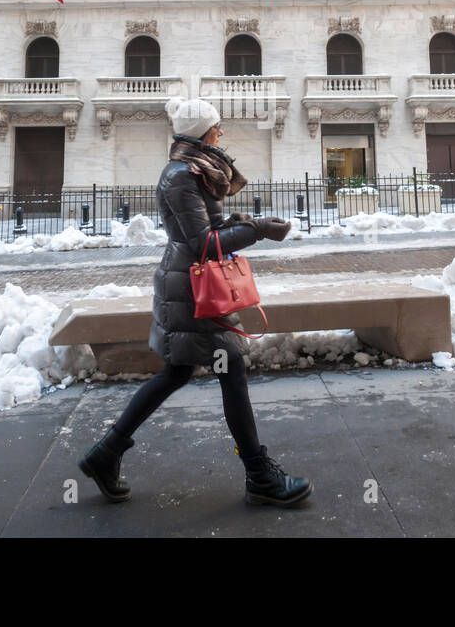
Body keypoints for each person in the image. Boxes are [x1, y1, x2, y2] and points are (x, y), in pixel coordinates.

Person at [79, 97, 311, 508]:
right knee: (231, 368)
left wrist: (244, 224)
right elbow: (203, 243)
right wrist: (257, 231)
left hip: (194, 285)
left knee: (178, 373)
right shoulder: (182, 176)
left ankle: (106, 453)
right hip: (193, 290)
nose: (221, 133)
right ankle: (259, 475)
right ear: (204, 131)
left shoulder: (195, 171)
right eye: (217, 127)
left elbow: (211, 228)